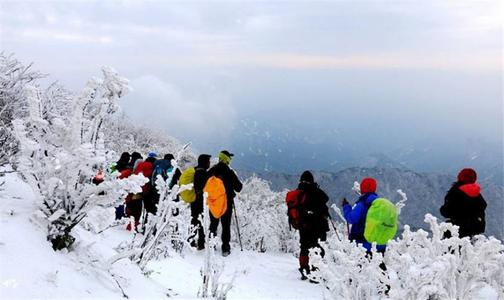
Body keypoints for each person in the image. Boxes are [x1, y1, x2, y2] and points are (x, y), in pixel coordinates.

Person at [294, 171, 330, 280]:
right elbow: (325, 198)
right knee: (317, 247)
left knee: (304, 247)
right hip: (317, 225)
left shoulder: (297, 193)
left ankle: (304, 268)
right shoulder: (315, 192)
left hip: (303, 225)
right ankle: (315, 271)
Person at [208, 150, 243, 256]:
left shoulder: (212, 170)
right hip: (226, 203)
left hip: (213, 202)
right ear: (227, 159)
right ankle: (225, 247)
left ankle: (211, 245)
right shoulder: (229, 171)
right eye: (229, 158)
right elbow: (239, 187)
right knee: (225, 225)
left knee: (213, 224)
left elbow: (205, 183)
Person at [342, 177, 386, 254]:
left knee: (365, 265)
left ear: (363, 189)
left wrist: (346, 206)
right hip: (379, 244)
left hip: (364, 245)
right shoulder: (380, 204)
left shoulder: (362, 204)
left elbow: (351, 218)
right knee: (377, 264)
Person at [440, 168, 487, 238]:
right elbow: (482, 206)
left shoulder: (455, 192)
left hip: (457, 231)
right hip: (475, 230)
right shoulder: (476, 193)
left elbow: (447, 212)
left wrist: (442, 209)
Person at [189, 154, 211, 250]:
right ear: (205, 162)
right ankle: (201, 243)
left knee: (194, 220)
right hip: (201, 201)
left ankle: (191, 240)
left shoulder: (194, 171)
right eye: (208, 161)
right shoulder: (203, 174)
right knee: (202, 221)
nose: (209, 163)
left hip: (194, 200)